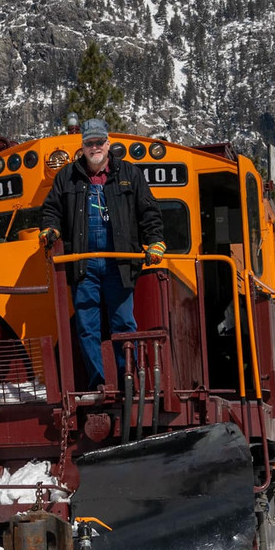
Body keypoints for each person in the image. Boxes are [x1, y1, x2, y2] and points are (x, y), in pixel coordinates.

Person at [39, 118, 165, 391]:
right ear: (82, 147)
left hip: (119, 264)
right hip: (83, 265)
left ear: (108, 144)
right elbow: (51, 210)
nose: (94, 147)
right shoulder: (67, 177)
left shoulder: (129, 174)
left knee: (123, 324)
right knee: (87, 328)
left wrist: (155, 242)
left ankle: (127, 380)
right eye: (89, 143)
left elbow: (149, 211)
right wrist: (50, 229)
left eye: (99, 142)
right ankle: (98, 381)